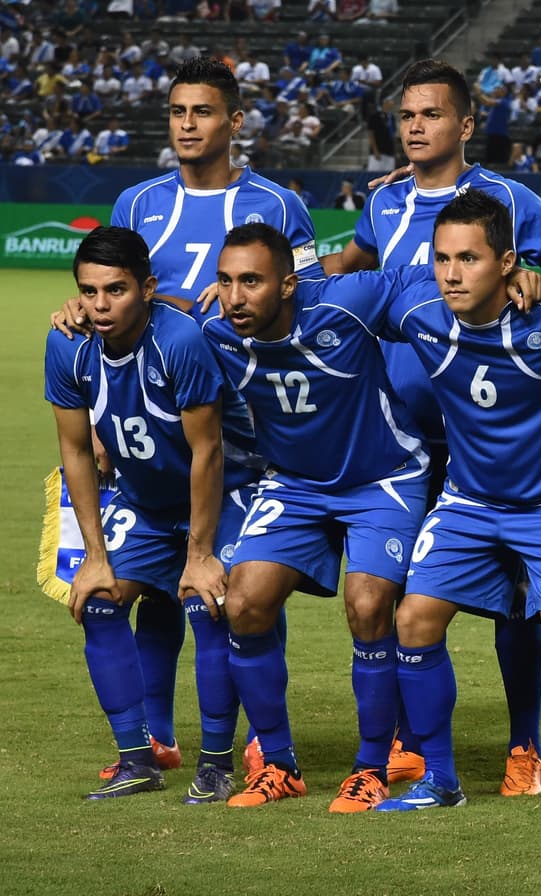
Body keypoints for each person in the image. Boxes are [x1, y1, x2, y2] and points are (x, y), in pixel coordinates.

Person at [54, 57, 322, 781]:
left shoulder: (280, 204)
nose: (186, 125)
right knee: (155, 587)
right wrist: (83, 316)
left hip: (249, 425)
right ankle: (159, 738)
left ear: (235, 122)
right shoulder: (139, 202)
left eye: (202, 112)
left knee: (239, 589)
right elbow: (114, 294)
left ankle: (263, 740)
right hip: (151, 423)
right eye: (177, 112)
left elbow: (310, 305)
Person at [340, 58, 541, 796]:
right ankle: (413, 750)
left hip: (509, 431)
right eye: (406, 116)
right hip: (400, 437)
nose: (415, 127)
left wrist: (536, 281)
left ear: (464, 123)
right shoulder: (385, 206)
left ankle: (526, 744)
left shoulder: (508, 199)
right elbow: (348, 279)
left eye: (429, 114)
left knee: (522, 601)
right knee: (399, 597)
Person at [194, 223, 431, 812]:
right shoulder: (216, 334)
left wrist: (523, 278)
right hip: (297, 485)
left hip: (385, 476)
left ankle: (372, 766)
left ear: (289, 285)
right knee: (242, 604)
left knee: (370, 603)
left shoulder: (346, 303)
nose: (235, 296)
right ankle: (278, 765)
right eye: (225, 282)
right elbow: (150, 326)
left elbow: (425, 277)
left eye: (251, 281)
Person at [45, 226, 258, 803]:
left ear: (147, 288)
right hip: (145, 503)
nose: (100, 305)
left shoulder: (180, 341)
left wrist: (199, 553)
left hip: (223, 494)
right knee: (99, 602)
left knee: (208, 603)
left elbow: (209, 451)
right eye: (88, 292)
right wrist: (93, 557)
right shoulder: (66, 344)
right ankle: (136, 758)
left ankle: (217, 764)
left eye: (115, 290)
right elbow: (74, 451)